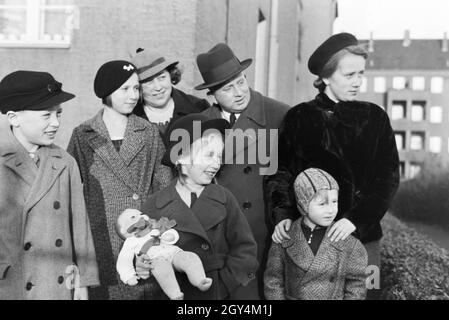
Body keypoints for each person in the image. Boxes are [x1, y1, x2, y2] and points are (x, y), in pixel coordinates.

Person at [263, 33, 400, 299]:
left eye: (361, 74)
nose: (358, 82)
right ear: (326, 77)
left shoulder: (375, 118)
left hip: (363, 240)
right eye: (350, 75)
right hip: (310, 240)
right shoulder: (299, 117)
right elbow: (279, 173)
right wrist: (282, 216)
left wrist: (355, 221)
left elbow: (388, 178)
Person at [67, 60, 173, 300]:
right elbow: (70, 191)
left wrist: (159, 231)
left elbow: (164, 186)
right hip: (98, 238)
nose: (133, 95)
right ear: (106, 93)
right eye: (125, 89)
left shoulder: (147, 132)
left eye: (136, 88)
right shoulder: (83, 134)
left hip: (141, 235)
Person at [196, 43, 290, 299]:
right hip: (220, 239)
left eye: (241, 82)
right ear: (213, 95)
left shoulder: (279, 114)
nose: (239, 92)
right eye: (227, 88)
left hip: (266, 237)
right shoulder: (200, 124)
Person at [0, 70, 99, 299]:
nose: (56, 123)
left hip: (57, 284)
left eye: (59, 114)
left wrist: (83, 282)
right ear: (14, 117)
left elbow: (79, 228)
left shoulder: (65, 162)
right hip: (10, 284)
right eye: (46, 116)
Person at [140, 113, 259, 300]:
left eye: (219, 156)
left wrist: (224, 284)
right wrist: (142, 266)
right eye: (209, 155)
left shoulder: (224, 199)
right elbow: (137, 250)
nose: (216, 164)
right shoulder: (154, 204)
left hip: (214, 292)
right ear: (180, 158)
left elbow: (245, 249)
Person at [264, 168, 368, 300]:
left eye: (334, 202)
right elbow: (273, 281)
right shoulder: (284, 238)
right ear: (303, 204)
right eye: (322, 203)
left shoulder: (350, 243)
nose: (331, 210)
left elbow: (356, 286)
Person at [131, 48, 210, 137]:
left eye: (162, 77)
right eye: (148, 82)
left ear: (171, 75)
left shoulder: (199, 108)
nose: (158, 87)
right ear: (137, 87)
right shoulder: (129, 117)